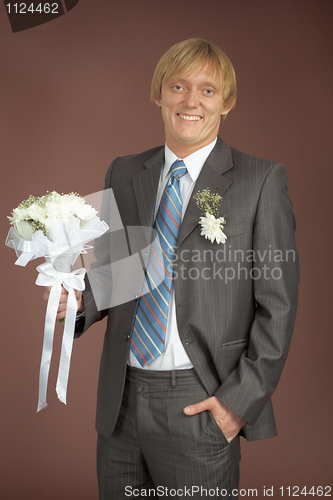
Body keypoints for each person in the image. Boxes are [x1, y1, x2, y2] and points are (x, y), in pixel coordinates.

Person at [47, 38, 299, 499]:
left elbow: (277, 308)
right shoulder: (125, 172)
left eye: (207, 90)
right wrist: (77, 303)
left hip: (200, 401)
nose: (190, 101)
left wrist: (235, 406)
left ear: (227, 103)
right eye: (178, 86)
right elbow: (119, 274)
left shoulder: (260, 180)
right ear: (158, 94)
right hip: (120, 401)